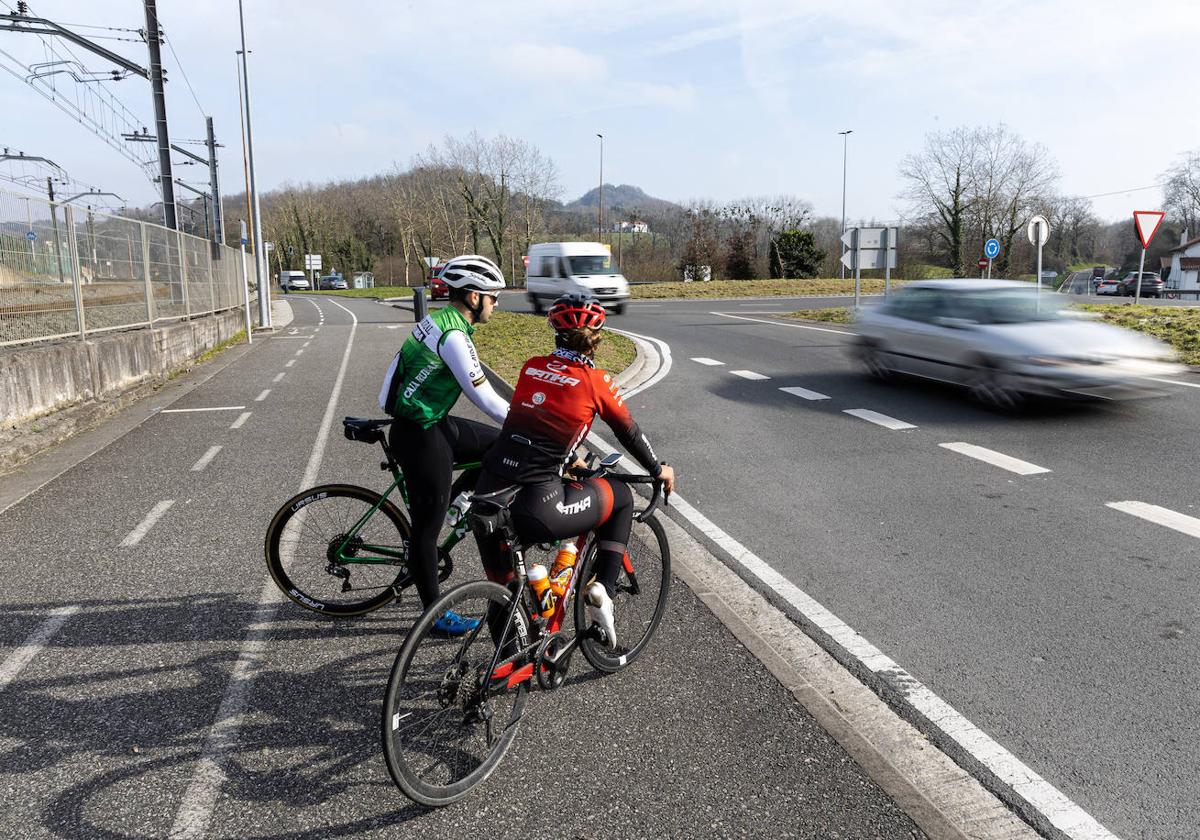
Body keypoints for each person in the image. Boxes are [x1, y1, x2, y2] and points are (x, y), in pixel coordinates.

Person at [472, 293, 676, 648]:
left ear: (555, 333)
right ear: (596, 340)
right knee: (621, 497)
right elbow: (629, 432)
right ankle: (603, 590)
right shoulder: (595, 381)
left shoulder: (530, 367)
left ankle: (500, 670)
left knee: (504, 590)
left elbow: (533, 431)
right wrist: (657, 469)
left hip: (487, 492)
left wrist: (568, 460)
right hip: (537, 504)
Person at [378, 254, 509, 634]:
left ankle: (455, 504)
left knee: (499, 447)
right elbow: (483, 396)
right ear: (472, 297)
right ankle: (434, 614)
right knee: (426, 531)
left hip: (429, 421)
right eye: (492, 296)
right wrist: (529, 424)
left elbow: (395, 371)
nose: (496, 303)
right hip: (418, 434)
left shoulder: (436, 321)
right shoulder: (454, 336)